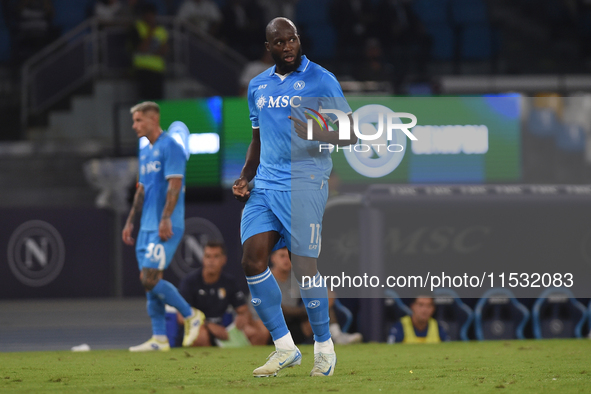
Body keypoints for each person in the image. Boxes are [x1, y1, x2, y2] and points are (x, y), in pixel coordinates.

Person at [232, 17, 356, 377]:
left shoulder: (321, 78)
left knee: (304, 269)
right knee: (252, 261)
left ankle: (324, 348)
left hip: (305, 181)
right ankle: (284, 347)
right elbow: (256, 139)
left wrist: (318, 128)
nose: (287, 47)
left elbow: (350, 134)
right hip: (265, 185)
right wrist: (245, 177)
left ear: (299, 40)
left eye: (292, 40)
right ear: (268, 47)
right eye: (279, 42)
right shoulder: (258, 85)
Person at [122, 101, 204, 352]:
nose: (134, 125)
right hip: (146, 226)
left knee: (148, 278)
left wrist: (166, 218)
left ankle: (191, 315)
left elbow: (175, 185)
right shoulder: (145, 151)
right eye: (134, 121)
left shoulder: (171, 147)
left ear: (153, 119)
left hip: (165, 226)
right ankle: (159, 338)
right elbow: (142, 190)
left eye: (138, 120)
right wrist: (130, 221)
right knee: (150, 283)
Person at [176, 240, 269, 346]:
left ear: (223, 260)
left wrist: (243, 317)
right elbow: (180, 316)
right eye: (208, 256)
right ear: (203, 259)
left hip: (222, 332)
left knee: (260, 330)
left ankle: (251, 361)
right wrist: (208, 325)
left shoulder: (229, 282)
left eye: (216, 256)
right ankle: (201, 362)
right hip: (198, 329)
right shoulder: (190, 281)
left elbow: (243, 310)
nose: (211, 261)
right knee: (200, 334)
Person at [270, 247, 363, 345]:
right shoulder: (267, 280)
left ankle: (336, 336)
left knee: (321, 300)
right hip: (271, 326)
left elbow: (326, 292)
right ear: (273, 258)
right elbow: (279, 310)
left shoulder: (297, 276)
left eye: (289, 257)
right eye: (282, 256)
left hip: (294, 321)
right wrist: (310, 309)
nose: (286, 260)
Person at [128, 3, 168, 100]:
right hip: (143, 69)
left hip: (158, 70)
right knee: (145, 102)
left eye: (152, 15)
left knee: (158, 102)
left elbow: (165, 49)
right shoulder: (137, 28)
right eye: (147, 14)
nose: (150, 17)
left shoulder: (161, 29)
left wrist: (152, 51)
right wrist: (150, 32)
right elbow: (141, 48)